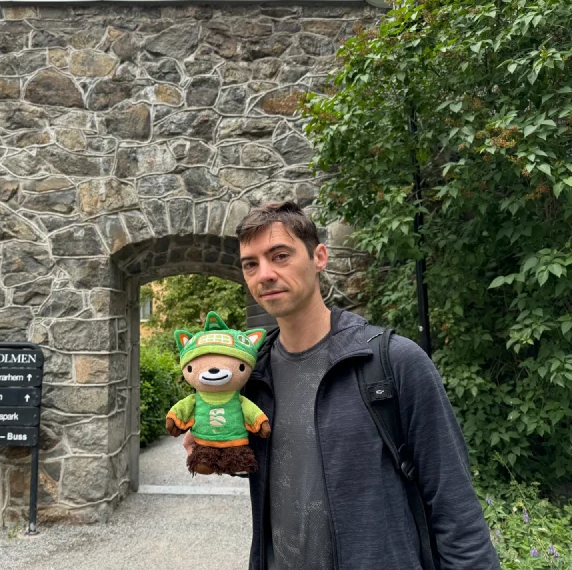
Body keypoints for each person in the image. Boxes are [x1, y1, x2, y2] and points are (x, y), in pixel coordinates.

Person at [183, 201, 499, 570]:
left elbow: (455, 505)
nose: (264, 274)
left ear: (319, 257)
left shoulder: (392, 361)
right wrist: (217, 445)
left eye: (280, 255)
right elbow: (289, 465)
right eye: (250, 264)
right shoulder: (254, 375)